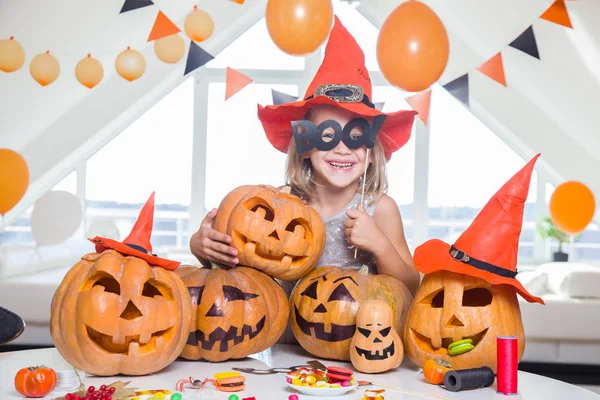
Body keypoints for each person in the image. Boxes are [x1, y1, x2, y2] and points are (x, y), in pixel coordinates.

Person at [190, 16, 420, 297]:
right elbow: (238, 267)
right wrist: (202, 247)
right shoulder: (277, 205)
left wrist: (380, 245)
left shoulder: (378, 208)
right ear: (305, 145)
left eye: (356, 138)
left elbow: (410, 286)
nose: (343, 148)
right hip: (281, 337)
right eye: (327, 136)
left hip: (352, 334)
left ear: (372, 153)